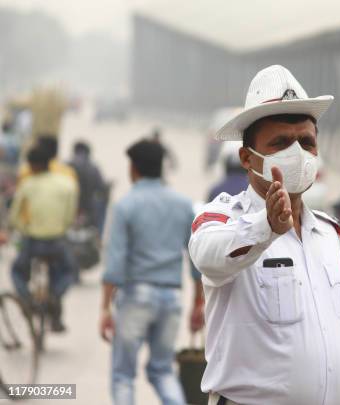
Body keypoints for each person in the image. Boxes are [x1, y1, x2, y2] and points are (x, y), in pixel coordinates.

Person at [189, 65, 340, 405]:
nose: (297, 152)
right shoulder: (222, 218)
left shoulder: (328, 233)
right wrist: (266, 227)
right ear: (247, 158)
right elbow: (208, 255)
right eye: (281, 142)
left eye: (306, 142)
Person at [99, 139, 203, 405]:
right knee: (162, 371)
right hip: (171, 298)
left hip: (136, 296)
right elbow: (195, 260)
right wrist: (198, 303)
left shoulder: (125, 205)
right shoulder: (182, 205)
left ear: (133, 168)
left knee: (123, 375)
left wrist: (105, 308)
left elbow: (115, 262)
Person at [9, 146, 78, 332]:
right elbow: (69, 217)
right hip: (57, 241)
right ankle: (55, 296)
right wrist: (60, 228)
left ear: (32, 165)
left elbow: (14, 217)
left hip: (32, 241)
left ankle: (26, 300)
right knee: (69, 271)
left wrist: (26, 229)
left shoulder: (27, 184)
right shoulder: (66, 183)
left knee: (17, 271)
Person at [68, 140, 108, 232]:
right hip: (87, 211)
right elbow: (101, 188)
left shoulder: (66, 166)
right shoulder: (94, 168)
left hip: (68, 211)